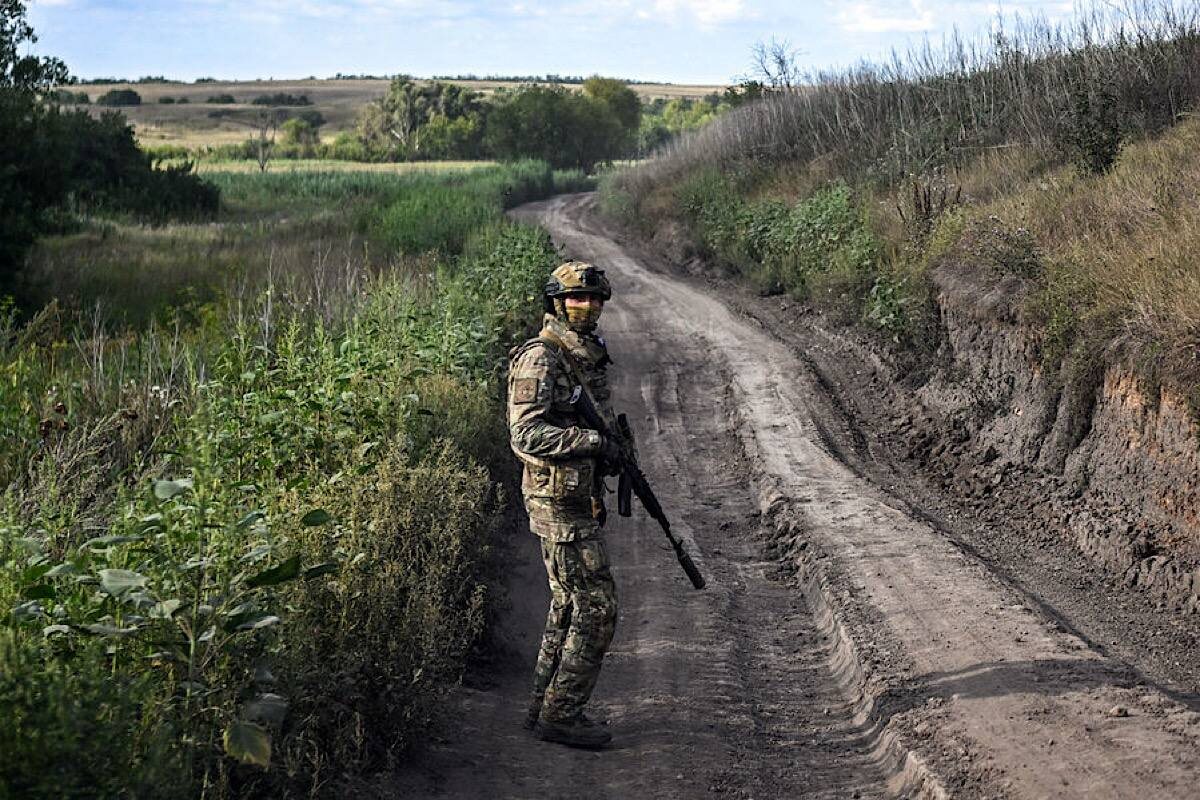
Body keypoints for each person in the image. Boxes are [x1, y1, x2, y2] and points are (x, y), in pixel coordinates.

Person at [506, 260, 626, 749]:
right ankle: (564, 712)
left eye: (595, 299)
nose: (589, 306)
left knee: (567, 604)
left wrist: (611, 450)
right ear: (557, 301)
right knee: (599, 607)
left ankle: (543, 707)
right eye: (578, 298)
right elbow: (526, 433)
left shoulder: (584, 353)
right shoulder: (542, 358)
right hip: (557, 501)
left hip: (577, 497)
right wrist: (593, 442)